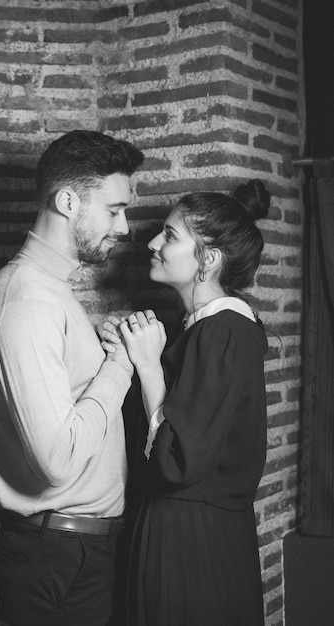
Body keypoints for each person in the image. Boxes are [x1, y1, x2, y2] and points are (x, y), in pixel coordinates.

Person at [0, 129, 144, 626]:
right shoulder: (29, 302)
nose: (125, 226)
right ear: (67, 201)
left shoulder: (48, 292)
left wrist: (101, 350)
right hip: (60, 557)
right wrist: (120, 365)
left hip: (70, 551)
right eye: (113, 210)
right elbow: (57, 459)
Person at [102, 179, 270, 626]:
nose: (153, 242)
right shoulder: (198, 329)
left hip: (191, 544)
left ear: (208, 259)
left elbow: (177, 460)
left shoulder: (224, 332)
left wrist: (148, 365)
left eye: (171, 236)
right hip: (183, 533)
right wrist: (126, 358)